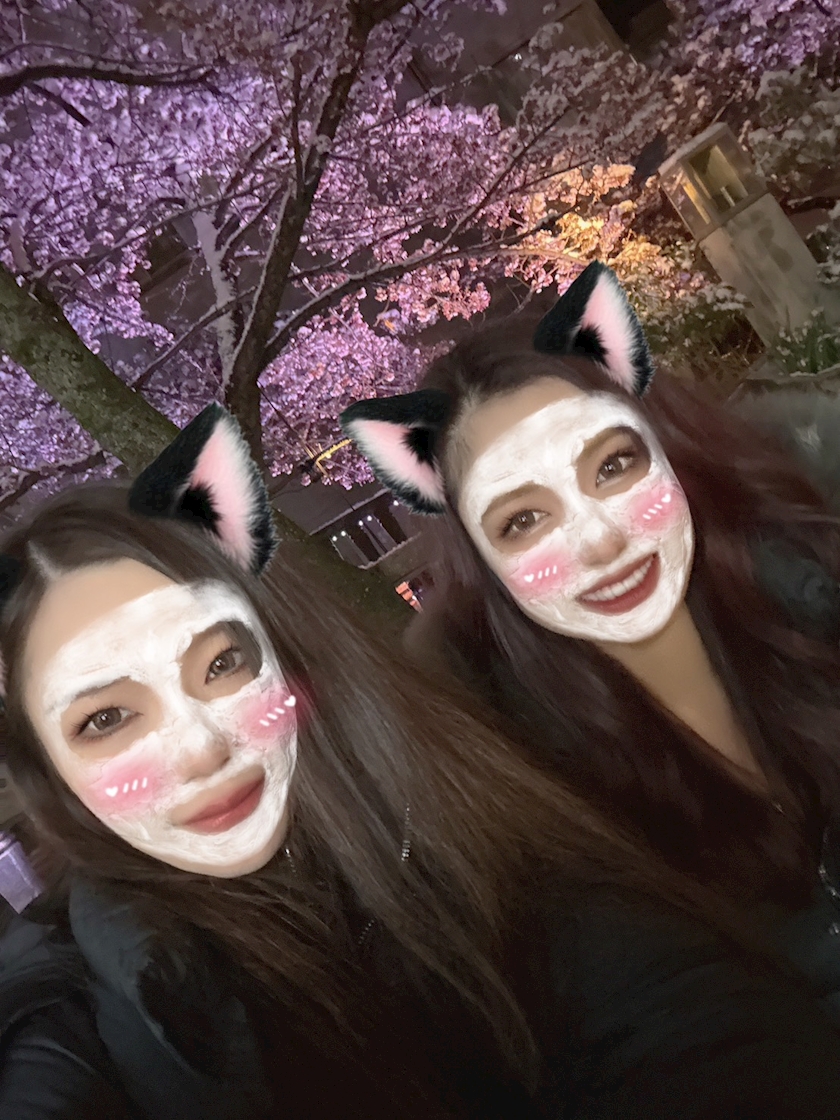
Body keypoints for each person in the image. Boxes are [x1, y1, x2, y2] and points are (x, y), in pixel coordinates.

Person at [6, 407, 840, 1117]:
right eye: (106, 719)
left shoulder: (488, 844)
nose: (200, 747)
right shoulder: (82, 1013)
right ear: (47, 771)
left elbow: (705, 1029)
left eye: (223, 666)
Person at [341, 262, 840, 1011]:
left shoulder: (809, 550)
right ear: (483, 564)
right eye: (523, 520)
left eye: (614, 466)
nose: (600, 540)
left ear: (667, 448)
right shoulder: (520, 777)